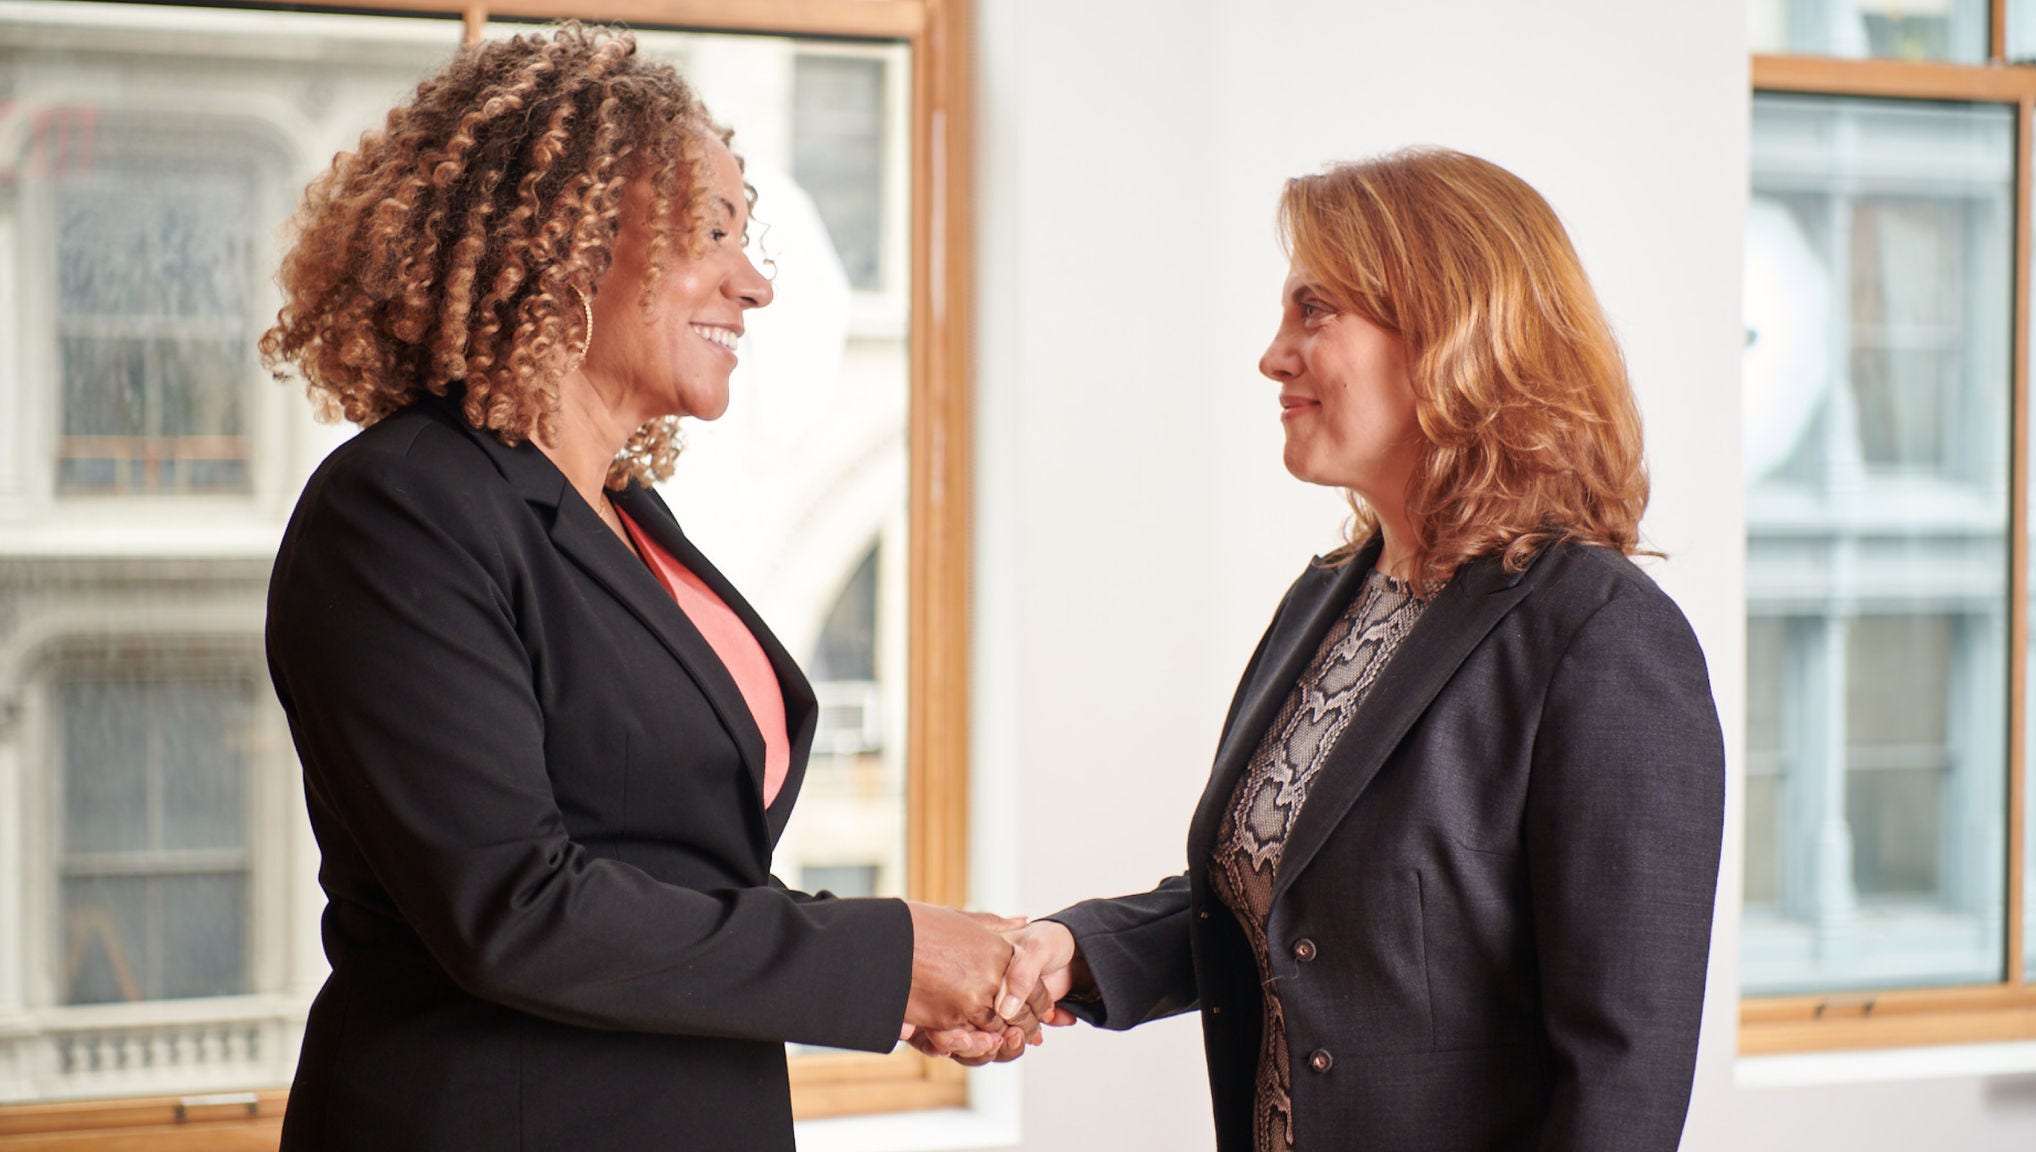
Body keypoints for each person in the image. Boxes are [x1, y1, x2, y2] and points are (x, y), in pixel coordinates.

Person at [259, 24, 1038, 1151]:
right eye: (709, 233)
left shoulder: (623, 519)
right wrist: (892, 959)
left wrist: (918, 963)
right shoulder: (400, 511)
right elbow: (516, 909)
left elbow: (671, 876)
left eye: (746, 233)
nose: (754, 280)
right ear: (562, 244)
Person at [981, 149, 1725, 1151]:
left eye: (1313, 311)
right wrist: (1072, 948)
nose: (1271, 356)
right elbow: (1292, 912)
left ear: (1449, 334)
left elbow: (1620, 1083)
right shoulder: (1326, 601)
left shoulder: (1599, 637)